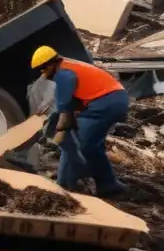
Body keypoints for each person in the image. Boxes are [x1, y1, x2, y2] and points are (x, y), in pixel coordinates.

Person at [31, 45, 127, 198]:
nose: (43, 74)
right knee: (77, 144)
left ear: (50, 64)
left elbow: (65, 111)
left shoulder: (63, 74)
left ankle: (104, 184)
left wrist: (61, 127)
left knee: (83, 145)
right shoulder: (67, 66)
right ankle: (66, 182)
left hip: (105, 102)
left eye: (43, 69)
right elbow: (66, 99)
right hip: (111, 99)